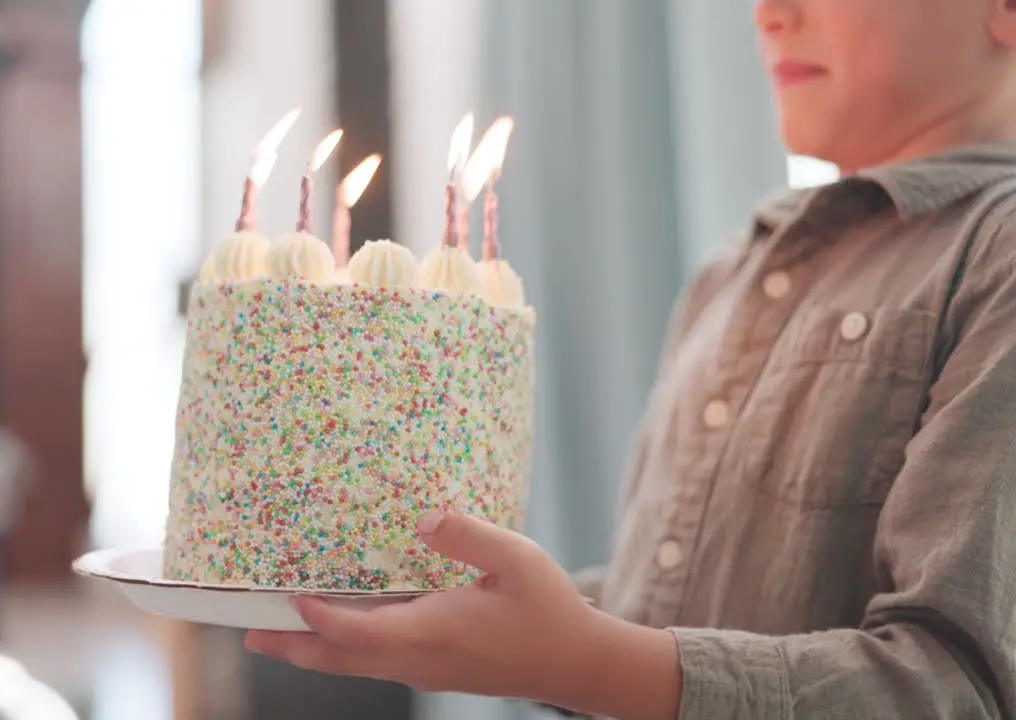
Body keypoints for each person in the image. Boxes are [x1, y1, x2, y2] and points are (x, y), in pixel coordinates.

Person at [244, 0, 1016, 717]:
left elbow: (961, 687)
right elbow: (661, 609)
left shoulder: (996, 258)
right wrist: (511, 620)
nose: (772, 13)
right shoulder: (734, 271)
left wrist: (580, 662)